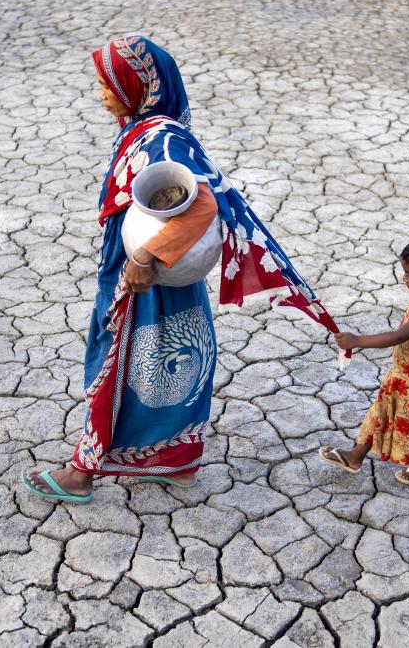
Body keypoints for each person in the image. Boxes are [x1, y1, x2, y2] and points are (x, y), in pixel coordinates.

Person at [23, 35, 342, 503]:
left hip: (147, 274)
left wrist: (143, 258)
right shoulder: (151, 128)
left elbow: (200, 205)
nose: (101, 94)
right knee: (166, 360)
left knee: (121, 362)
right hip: (168, 271)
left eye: (107, 84)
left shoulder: (160, 138)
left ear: (136, 85)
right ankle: (177, 463)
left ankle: (81, 473)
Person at [319, 233, 409, 486]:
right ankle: (355, 456)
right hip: (403, 375)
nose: (404, 279)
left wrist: (358, 341)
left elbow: (398, 336)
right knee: (379, 414)